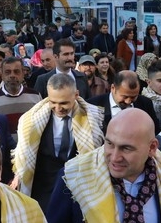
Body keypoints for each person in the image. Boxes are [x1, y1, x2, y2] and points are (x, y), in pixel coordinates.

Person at [12, 74, 104, 211]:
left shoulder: (93, 118)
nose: (58, 108)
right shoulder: (31, 121)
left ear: (76, 95)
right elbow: (25, 157)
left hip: (78, 191)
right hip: (43, 192)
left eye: (64, 103)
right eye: (53, 102)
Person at [88, 70, 161, 135]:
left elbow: (155, 132)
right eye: (125, 96)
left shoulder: (145, 104)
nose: (128, 101)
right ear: (113, 88)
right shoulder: (93, 105)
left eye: (133, 97)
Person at [0, 57, 41, 140]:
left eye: (16, 72)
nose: (12, 75)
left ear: (23, 73)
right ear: (2, 74)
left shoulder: (36, 97)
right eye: (8, 72)